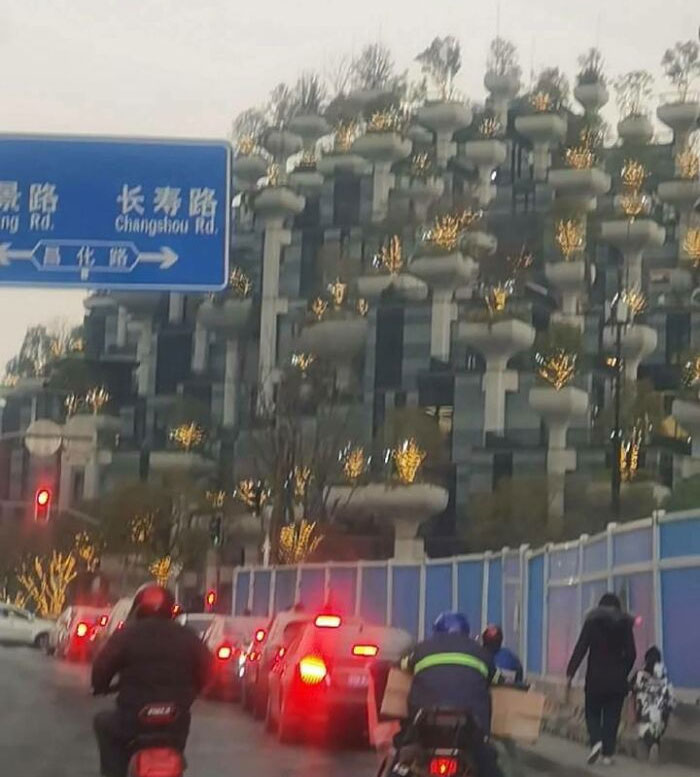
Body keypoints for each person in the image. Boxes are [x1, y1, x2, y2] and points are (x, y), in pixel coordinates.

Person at [92, 583, 212, 777]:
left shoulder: (126, 636)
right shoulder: (188, 637)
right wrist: (196, 687)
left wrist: (100, 686)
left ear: (138, 608)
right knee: (178, 742)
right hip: (175, 721)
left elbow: (100, 669)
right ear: (170, 609)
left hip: (132, 722)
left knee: (102, 723)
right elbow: (209, 670)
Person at [399, 611, 503, 777]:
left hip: (425, 722)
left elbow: (402, 666)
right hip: (469, 726)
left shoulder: (422, 648)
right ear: (466, 632)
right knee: (487, 763)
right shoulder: (481, 653)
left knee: (402, 759)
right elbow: (497, 679)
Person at [566, 593, 636, 766]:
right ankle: (607, 755)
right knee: (612, 717)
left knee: (592, 712)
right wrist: (623, 671)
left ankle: (596, 741)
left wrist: (570, 673)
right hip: (617, 680)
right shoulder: (625, 624)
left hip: (595, 679)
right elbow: (632, 653)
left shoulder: (592, 621)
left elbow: (581, 647)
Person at [633, 646, 676, 764]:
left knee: (644, 731)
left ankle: (648, 746)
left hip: (645, 713)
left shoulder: (640, 674)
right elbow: (671, 697)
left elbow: (632, 690)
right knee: (657, 730)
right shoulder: (664, 676)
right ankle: (655, 744)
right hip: (661, 715)